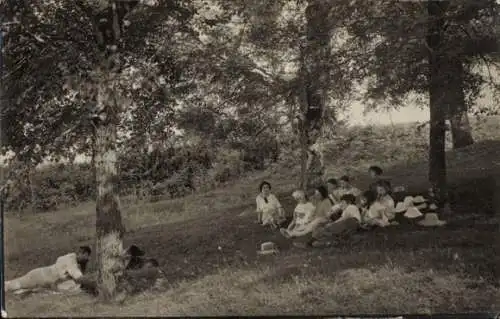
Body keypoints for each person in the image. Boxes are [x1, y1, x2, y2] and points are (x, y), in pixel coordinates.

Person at [5, 246, 91, 294]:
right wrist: (94, 286)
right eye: (87, 256)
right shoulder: (71, 261)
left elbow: (78, 277)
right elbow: (80, 278)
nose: (88, 259)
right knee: (15, 284)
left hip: (43, 276)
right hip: (40, 276)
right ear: (82, 253)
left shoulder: (70, 257)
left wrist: (84, 265)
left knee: (19, 285)